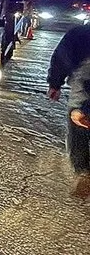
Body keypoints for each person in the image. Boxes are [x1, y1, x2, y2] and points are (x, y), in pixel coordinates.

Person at [47, 24, 90, 198]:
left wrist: (54, 84)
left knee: (78, 128)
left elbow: (61, 58)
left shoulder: (79, 34)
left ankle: (84, 173)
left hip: (83, 94)